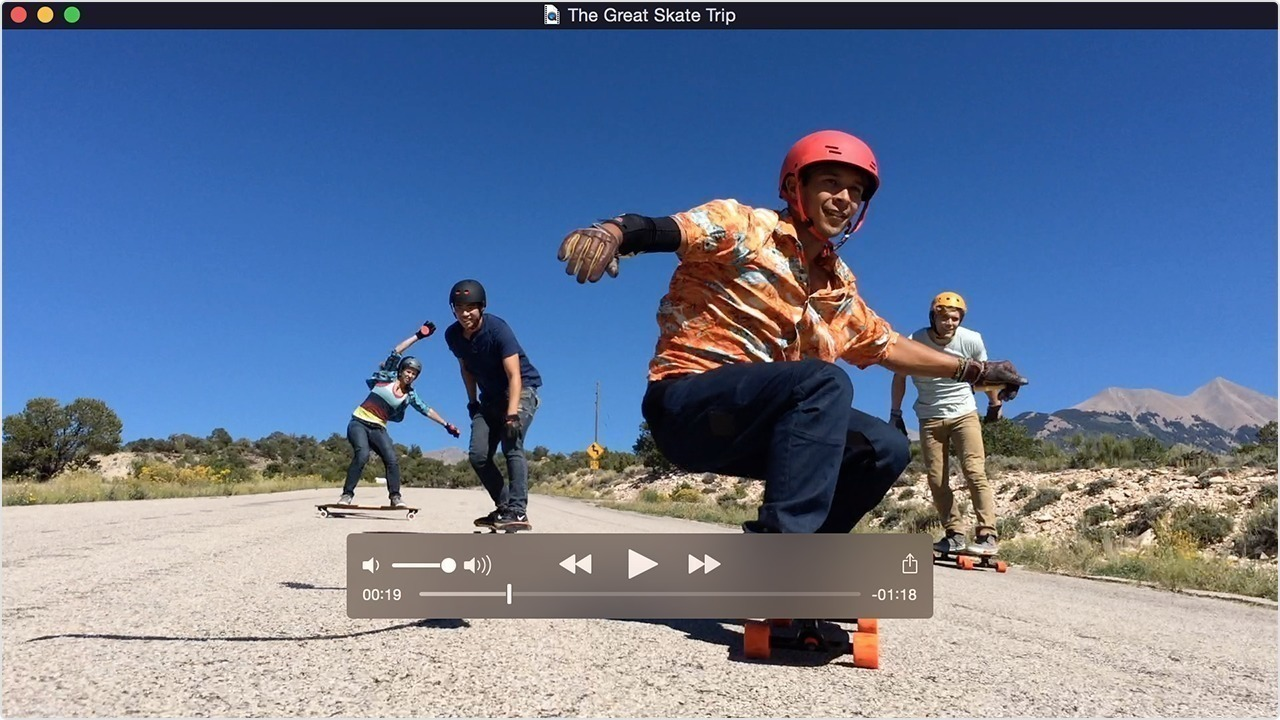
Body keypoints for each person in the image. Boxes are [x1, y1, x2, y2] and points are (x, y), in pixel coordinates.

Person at [555, 129, 1028, 534]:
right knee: (822, 381)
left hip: (760, 425)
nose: (844, 199)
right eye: (831, 183)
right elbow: (670, 229)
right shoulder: (746, 227)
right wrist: (613, 232)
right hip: (688, 406)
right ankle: (781, 556)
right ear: (793, 186)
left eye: (856, 191)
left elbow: (889, 347)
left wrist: (976, 370)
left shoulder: (838, 287)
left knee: (884, 447)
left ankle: (809, 566)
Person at [890, 292, 1006, 556]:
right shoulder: (915, 341)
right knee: (936, 478)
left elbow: (984, 374)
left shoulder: (971, 339)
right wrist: (895, 413)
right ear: (933, 317)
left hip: (964, 413)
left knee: (974, 471)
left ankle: (987, 534)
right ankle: (954, 534)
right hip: (929, 417)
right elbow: (899, 376)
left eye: (955, 318)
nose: (950, 323)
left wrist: (994, 404)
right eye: (944, 318)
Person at [443, 279, 543, 531]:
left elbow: (514, 375)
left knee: (511, 444)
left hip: (521, 390)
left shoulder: (498, 329)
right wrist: (472, 402)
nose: (465, 313)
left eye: (470, 307)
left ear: (482, 307)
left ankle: (518, 511)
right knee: (478, 456)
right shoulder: (453, 335)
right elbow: (466, 370)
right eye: (459, 308)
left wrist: (512, 415)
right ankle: (504, 507)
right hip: (489, 398)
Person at [340, 322, 460, 507]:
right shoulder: (387, 376)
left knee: (392, 460)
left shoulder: (409, 395)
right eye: (408, 371)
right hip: (359, 422)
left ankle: (395, 497)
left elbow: (426, 409)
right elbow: (396, 351)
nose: (410, 375)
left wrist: (446, 424)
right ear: (401, 370)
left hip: (378, 428)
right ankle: (347, 495)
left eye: (414, 374)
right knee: (362, 455)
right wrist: (418, 336)